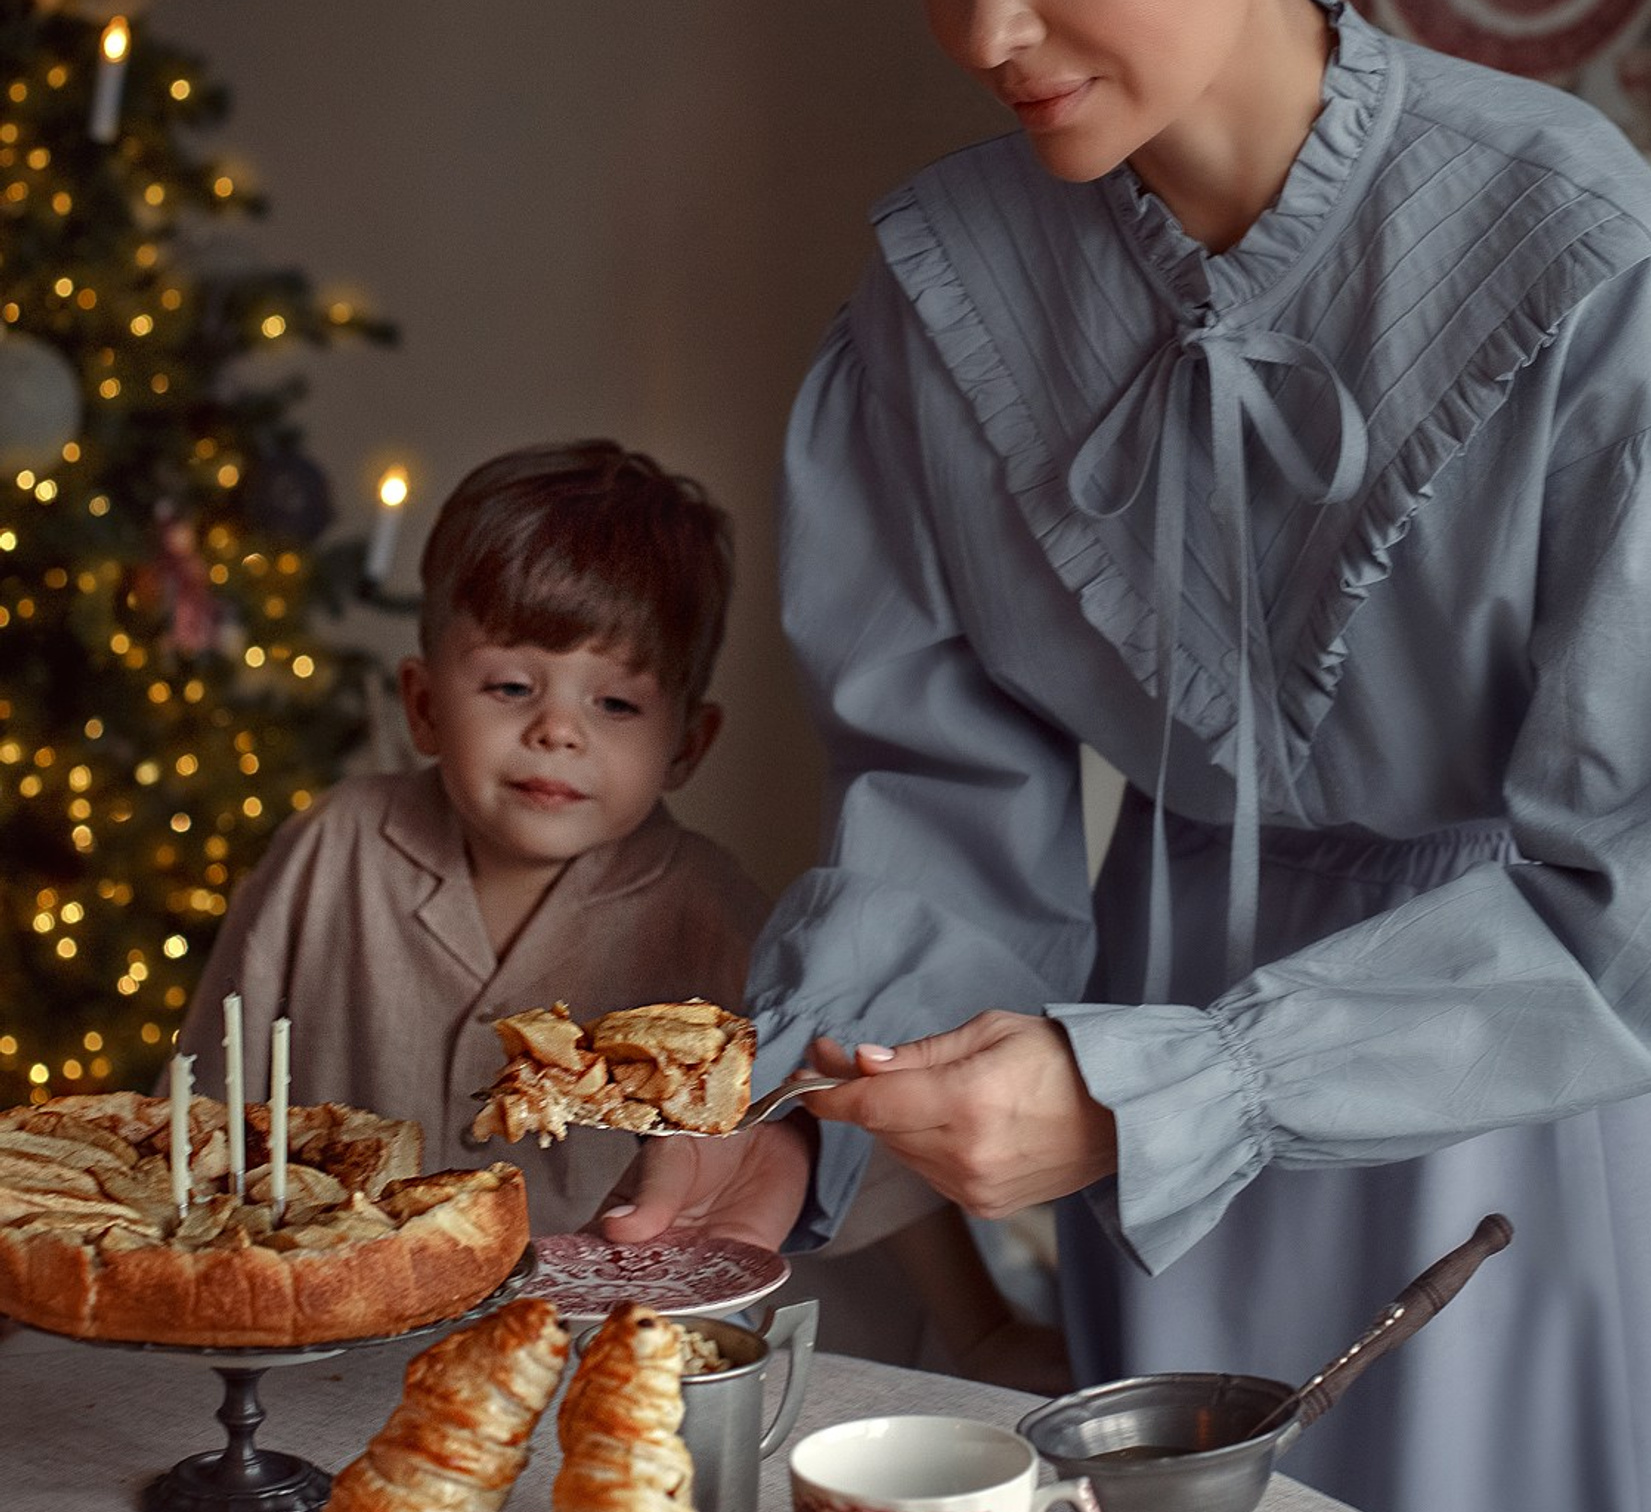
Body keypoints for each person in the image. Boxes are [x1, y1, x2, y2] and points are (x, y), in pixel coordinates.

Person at [603, 0, 1651, 1510]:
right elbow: (948, 813)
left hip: (1558, 1116)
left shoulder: (1588, 262)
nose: (989, 27)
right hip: (1158, 1086)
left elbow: (1631, 924)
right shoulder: (939, 295)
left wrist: (1149, 1094)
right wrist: (801, 1131)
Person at [177, 439, 1064, 1387]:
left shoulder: (716, 913)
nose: (558, 729)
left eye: (616, 703)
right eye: (512, 686)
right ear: (425, 703)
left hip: (593, 1370)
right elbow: (204, 1097)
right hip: (332, 1342)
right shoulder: (334, 846)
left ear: (688, 743)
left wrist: (977, 1332)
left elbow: (847, 1134)